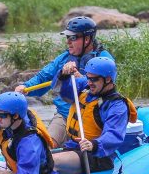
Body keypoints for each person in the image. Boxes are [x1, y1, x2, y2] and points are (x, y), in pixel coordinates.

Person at [14, 16, 115, 146]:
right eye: (67, 37)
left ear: (87, 39)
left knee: (87, 148)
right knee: (46, 146)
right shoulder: (64, 58)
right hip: (64, 115)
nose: (68, 42)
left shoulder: (104, 60)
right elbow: (43, 77)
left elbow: (106, 89)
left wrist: (80, 78)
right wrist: (25, 86)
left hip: (92, 117)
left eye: (73, 38)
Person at [53, 57, 138, 174]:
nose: (89, 82)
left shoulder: (117, 106)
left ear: (108, 79)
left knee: (52, 161)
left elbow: (113, 135)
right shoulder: (87, 87)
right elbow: (64, 93)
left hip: (98, 156)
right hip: (74, 147)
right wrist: (64, 74)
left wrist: (94, 145)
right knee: (40, 159)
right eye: (88, 77)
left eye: (94, 79)